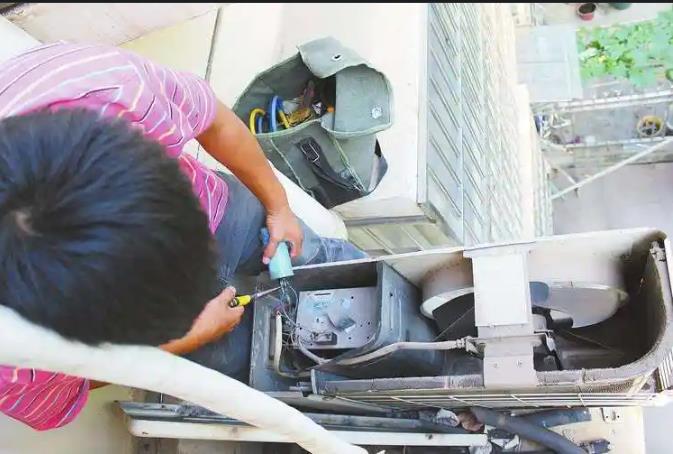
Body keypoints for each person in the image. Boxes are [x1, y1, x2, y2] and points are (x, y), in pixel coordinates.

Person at [0, 42, 365, 430]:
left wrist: (277, 206)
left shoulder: (98, 86)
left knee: (336, 268)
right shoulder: (11, 355)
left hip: (225, 212)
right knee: (279, 376)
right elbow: (73, 378)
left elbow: (213, 120)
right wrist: (183, 340)